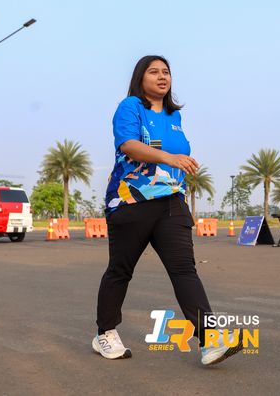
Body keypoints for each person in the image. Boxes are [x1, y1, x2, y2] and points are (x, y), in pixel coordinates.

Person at [95, 55, 242, 366]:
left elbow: (177, 154)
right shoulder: (130, 107)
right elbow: (128, 144)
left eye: (166, 72)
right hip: (131, 202)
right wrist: (169, 158)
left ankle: (210, 341)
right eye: (154, 72)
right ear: (140, 77)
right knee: (120, 270)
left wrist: (177, 169)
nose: (162, 77)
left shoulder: (175, 116)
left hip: (172, 202)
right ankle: (105, 332)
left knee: (184, 270)